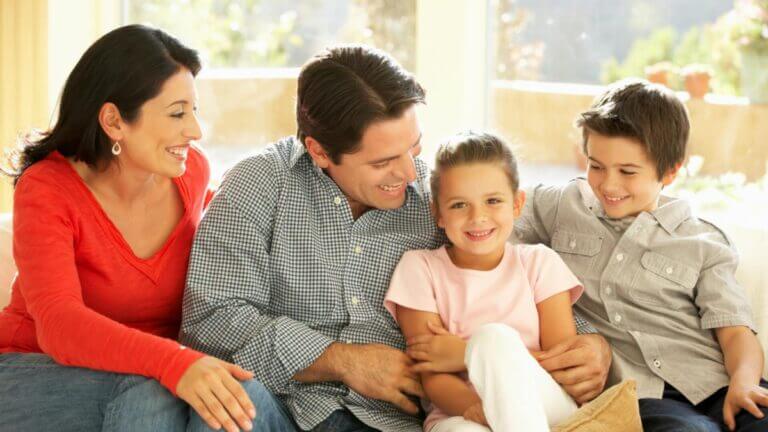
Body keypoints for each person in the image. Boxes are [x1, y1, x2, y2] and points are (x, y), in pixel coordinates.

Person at [181, 45, 611, 432]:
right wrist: (341, 360)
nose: (409, 175)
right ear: (319, 152)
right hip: (286, 406)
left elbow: (505, 263)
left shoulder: (439, 197)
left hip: (392, 421)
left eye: (415, 148)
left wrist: (590, 342)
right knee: (219, 409)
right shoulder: (260, 184)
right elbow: (210, 321)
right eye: (384, 161)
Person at [0, 24, 258, 432]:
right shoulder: (47, 189)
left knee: (225, 398)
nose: (195, 130)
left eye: (195, 110)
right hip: (32, 370)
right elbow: (59, 325)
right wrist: (175, 361)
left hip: (152, 378)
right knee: (151, 394)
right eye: (177, 113)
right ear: (114, 121)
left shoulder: (192, 174)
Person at [515, 78, 768, 432]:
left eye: (628, 172)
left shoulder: (704, 241)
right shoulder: (559, 207)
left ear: (671, 170)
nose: (608, 184)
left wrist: (744, 381)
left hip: (717, 383)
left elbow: (736, 332)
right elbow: (486, 204)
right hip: (642, 397)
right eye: (596, 165)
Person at [384, 131, 584, 431]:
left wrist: (465, 353)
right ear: (438, 212)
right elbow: (431, 371)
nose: (478, 217)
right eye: (459, 205)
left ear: (516, 204)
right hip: (459, 412)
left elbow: (561, 365)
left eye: (492, 201)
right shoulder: (420, 269)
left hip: (544, 402)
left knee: (493, 338)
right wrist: (477, 409)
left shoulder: (539, 264)